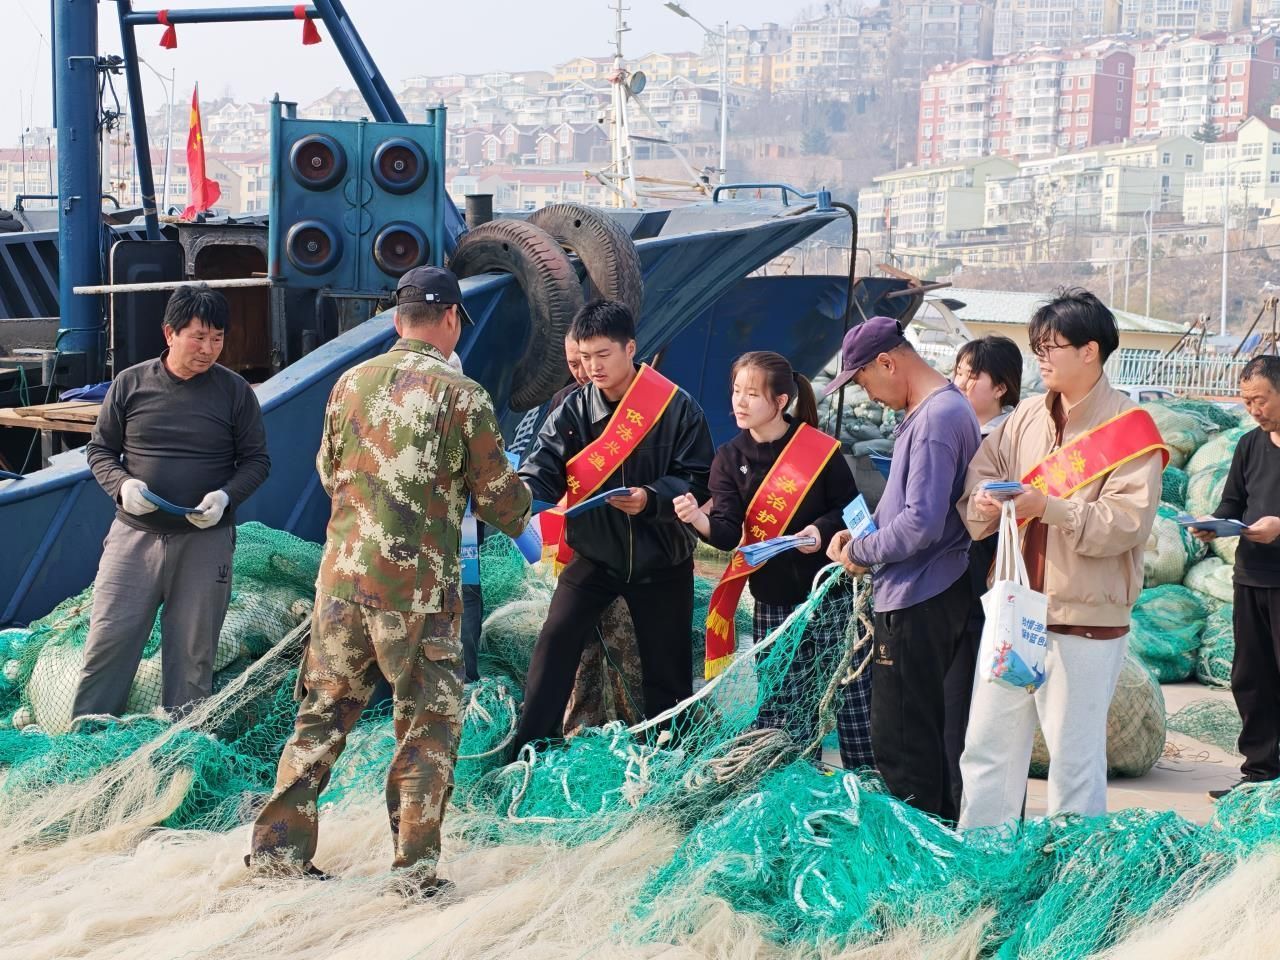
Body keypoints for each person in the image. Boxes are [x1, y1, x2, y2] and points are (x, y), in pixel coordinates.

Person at [249, 266, 531, 892]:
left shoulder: (350, 382)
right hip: (417, 595)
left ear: (398, 319)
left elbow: (330, 471)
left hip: (341, 585)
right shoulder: (462, 396)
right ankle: (413, 871)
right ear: (452, 318)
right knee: (426, 728)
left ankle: (277, 856)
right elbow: (499, 500)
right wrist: (524, 507)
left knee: (319, 717)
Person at [957, 288, 1164, 828]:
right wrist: (984, 499)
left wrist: (1047, 507)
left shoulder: (1131, 428)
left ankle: (1073, 866)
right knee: (987, 749)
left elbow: (1126, 523)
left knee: (1074, 762)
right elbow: (982, 471)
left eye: (1050, 347)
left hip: (1083, 619)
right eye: (1038, 348)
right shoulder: (1026, 415)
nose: (1041, 359)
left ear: (1090, 351)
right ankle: (983, 856)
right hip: (1014, 609)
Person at [514, 298, 713, 752]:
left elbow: (699, 478)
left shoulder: (676, 407)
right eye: (585, 357)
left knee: (668, 671)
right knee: (554, 643)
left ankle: (671, 755)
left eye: (603, 355)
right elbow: (541, 469)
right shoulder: (572, 410)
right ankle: (530, 747)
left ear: (630, 348)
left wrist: (651, 498)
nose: (593, 367)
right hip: (596, 555)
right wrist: (519, 493)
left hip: (663, 556)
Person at [76, 284, 269, 719]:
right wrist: (123, 486)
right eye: (198, 337)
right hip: (133, 537)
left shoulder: (236, 392)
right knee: (108, 641)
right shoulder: (130, 383)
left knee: (193, 655)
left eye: (217, 338)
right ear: (170, 333)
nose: (208, 349)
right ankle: (87, 735)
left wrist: (225, 497)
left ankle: (181, 744)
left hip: (205, 541)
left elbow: (257, 462)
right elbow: (99, 450)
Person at [674, 351, 872, 768]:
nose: (739, 402)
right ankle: (794, 783)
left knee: (851, 695)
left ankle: (868, 782)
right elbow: (727, 533)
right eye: (736, 391)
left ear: (781, 401)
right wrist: (697, 519)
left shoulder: (817, 449)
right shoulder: (729, 458)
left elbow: (851, 508)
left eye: (752, 394)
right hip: (773, 598)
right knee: (783, 701)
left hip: (832, 591)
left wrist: (819, 530)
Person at [824, 316, 980, 819]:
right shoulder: (936, 411)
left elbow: (921, 524)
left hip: (919, 597)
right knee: (922, 736)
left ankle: (917, 850)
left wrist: (862, 552)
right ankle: (936, 839)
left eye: (864, 380)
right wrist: (863, 535)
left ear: (887, 363)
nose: (868, 394)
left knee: (902, 745)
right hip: (929, 590)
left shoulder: (935, 420)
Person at [1192, 355, 1280, 799]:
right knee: (1251, 677)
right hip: (1250, 577)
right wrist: (1213, 523)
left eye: (1260, 400)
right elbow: (1233, 503)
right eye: (1246, 402)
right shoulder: (1249, 444)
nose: (1253, 410)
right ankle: (1259, 773)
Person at [945, 336, 1023, 814]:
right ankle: (957, 810)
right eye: (958, 371)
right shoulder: (955, 427)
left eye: (973, 375)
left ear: (1001, 388)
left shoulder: (1012, 439)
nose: (960, 382)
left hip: (993, 585)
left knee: (988, 711)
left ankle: (981, 814)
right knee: (952, 708)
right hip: (955, 585)